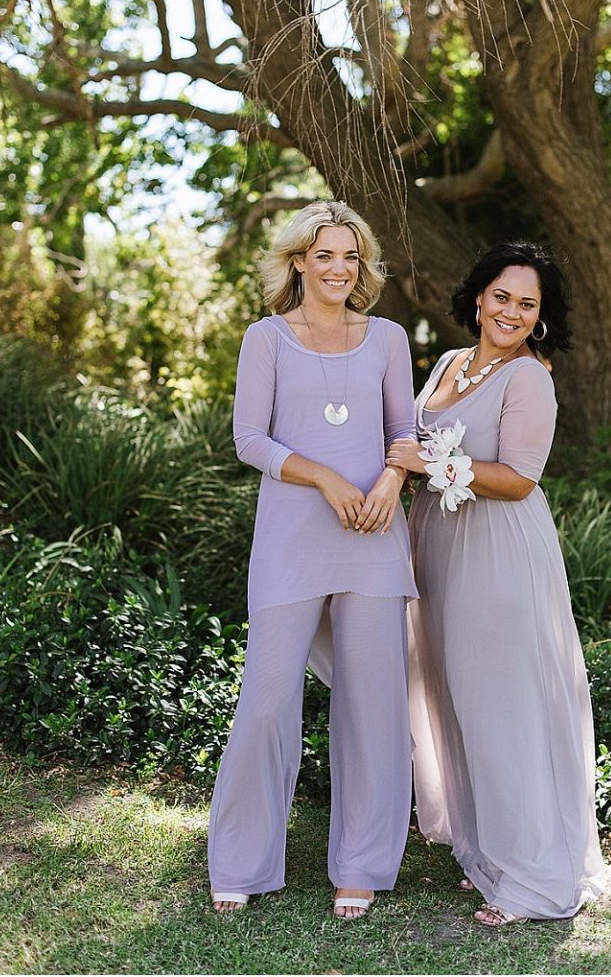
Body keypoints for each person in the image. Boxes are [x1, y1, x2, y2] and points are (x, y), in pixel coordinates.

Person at [208, 201, 418, 919]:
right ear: (298, 261)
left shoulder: (387, 337)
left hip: (373, 536)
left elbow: (404, 431)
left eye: (350, 257)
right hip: (292, 538)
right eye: (324, 255)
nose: (339, 269)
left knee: (372, 702)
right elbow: (249, 439)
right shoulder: (266, 338)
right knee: (267, 699)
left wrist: (389, 482)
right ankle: (241, 859)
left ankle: (361, 864)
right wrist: (326, 477)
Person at [386, 241, 606, 927]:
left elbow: (518, 479)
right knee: (460, 699)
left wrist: (428, 464)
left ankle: (532, 877)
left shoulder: (529, 378)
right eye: (502, 296)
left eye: (527, 304)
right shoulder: (449, 363)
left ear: (541, 316)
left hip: (498, 553)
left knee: (503, 706)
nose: (511, 312)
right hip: (439, 549)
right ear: (479, 296)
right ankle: (490, 852)